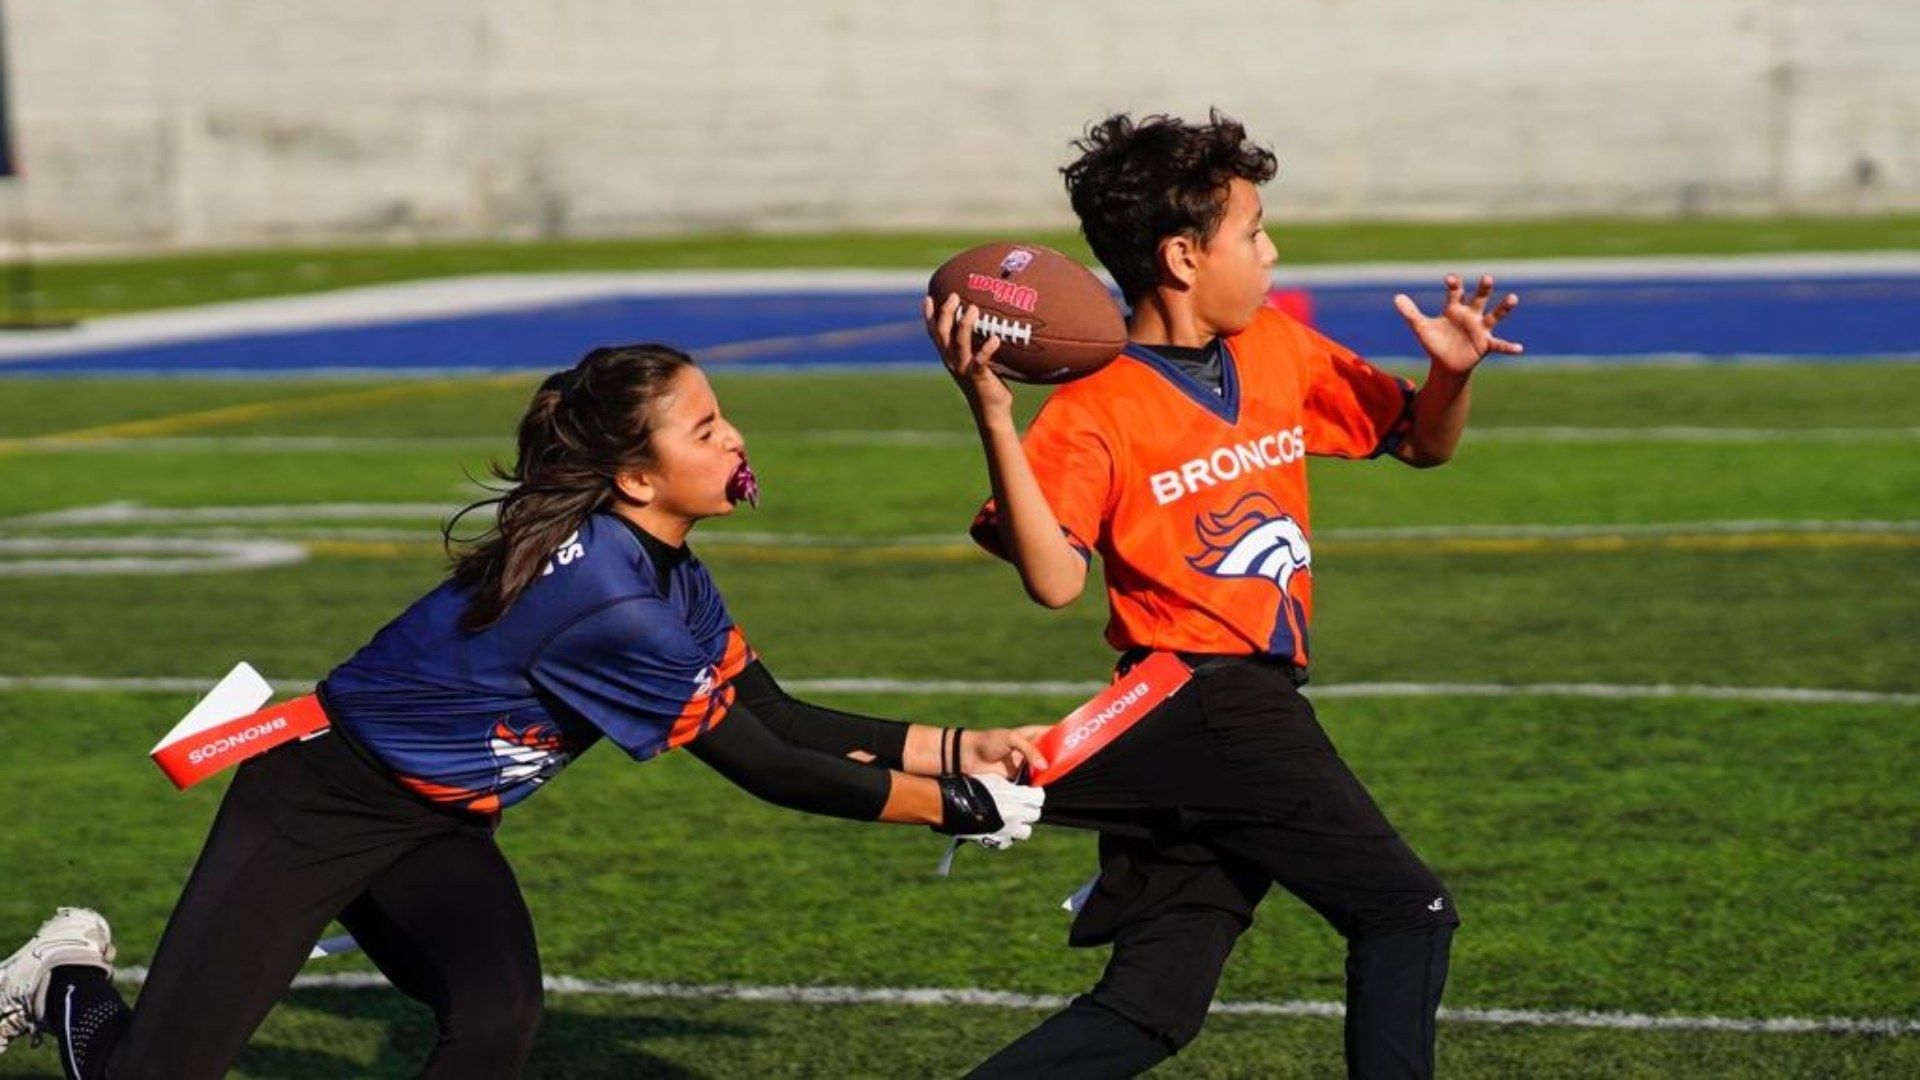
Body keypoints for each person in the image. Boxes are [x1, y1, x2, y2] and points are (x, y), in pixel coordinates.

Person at [0, 343, 1049, 1079]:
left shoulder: (668, 569)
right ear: (638, 476)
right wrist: (956, 806)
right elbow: (766, 769)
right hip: (318, 802)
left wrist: (964, 749)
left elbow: (770, 712)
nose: (735, 441)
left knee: (494, 1020)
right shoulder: (612, 604)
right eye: (706, 427)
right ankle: (68, 980)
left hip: (439, 823)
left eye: (723, 417)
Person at [924, 111, 1524, 1078]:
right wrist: (994, 415)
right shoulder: (1091, 409)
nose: (1272, 249)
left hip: (1215, 716)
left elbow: (1419, 442)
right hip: (1209, 701)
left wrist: (1449, 377)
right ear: (1183, 255)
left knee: (1148, 1011)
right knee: (1405, 914)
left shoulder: (1278, 348)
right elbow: (1053, 580)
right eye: (1253, 232)